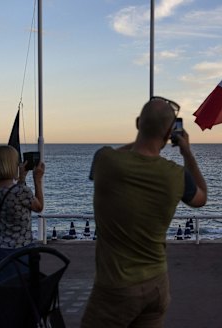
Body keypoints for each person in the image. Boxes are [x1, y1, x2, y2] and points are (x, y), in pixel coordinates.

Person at [81, 96, 207, 327]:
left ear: (138, 123)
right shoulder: (176, 175)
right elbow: (202, 197)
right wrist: (187, 153)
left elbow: (120, 153)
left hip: (115, 288)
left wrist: (144, 135)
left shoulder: (105, 160)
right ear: (169, 134)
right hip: (156, 285)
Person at [0, 145, 44, 282]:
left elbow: (12, 198)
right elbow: (39, 207)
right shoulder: (21, 192)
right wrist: (37, 180)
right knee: (20, 295)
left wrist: (21, 180)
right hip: (19, 251)